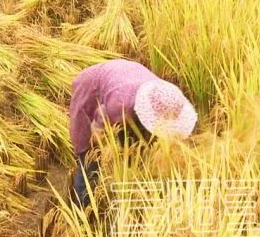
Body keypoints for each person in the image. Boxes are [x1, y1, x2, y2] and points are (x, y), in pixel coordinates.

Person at [69, 59, 198, 208]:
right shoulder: (120, 106)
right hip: (91, 87)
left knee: (135, 148)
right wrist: (106, 155)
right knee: (89, 161)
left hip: (126, 79)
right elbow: (97, 130)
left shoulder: (165, 96)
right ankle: (82, 209)